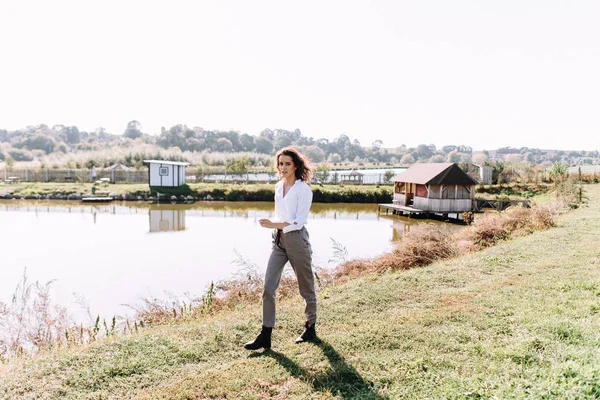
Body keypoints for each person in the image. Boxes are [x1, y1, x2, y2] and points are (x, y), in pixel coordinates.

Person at [244, 147, 317, 350]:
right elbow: (279, 215)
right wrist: (272, 224)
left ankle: (310, 327)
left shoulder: (304, 190)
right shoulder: (278, 187)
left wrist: (275, 224)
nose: (283, 167)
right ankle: (265, 335)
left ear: (296, 166)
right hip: (279, 241)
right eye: (280, 164)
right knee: (268, 287)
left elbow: (299, 221)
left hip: (297, 241)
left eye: (287, 164)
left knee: (306, 287)